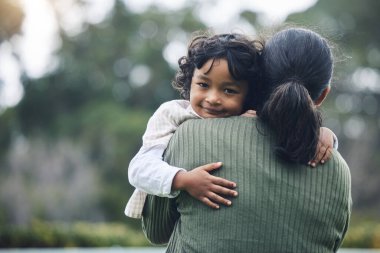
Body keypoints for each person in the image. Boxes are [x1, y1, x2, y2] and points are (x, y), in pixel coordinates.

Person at [142, 27, 352, 252]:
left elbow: (156, 232)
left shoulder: (188, 136)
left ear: (258, 82)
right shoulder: (336, 167)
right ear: (322, 94)